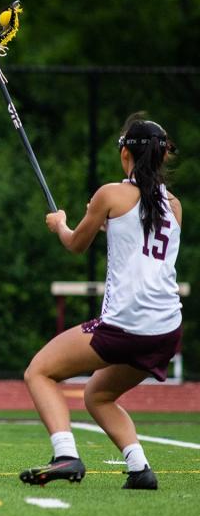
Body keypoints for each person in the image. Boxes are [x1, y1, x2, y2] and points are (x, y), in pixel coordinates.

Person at [19, 115, 181, 491]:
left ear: (125, 153)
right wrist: (109, 224)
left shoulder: (110, 193)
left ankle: (65, 454)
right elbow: (140, 238)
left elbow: (75, 244)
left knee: (39, 371)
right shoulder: (174, 206)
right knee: (98, 394)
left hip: (127, 323)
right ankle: (139, 468)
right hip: (166, 330)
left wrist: (59, 223)